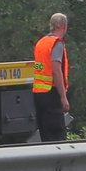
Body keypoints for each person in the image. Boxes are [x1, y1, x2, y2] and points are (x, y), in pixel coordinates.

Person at [33, 13, 70, 142]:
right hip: (51, 93)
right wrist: (63, 97)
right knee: (56, 135)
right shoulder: (56, 43)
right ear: (63, 26)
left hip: (38, 93)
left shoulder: (41, 42)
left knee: (45, 134)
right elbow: (56, 70)